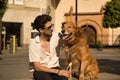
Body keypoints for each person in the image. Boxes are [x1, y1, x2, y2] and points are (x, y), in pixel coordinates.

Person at [29, 14, 70, 80]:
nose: (52, 29)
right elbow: (37, 67)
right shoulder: (34, 43)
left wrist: (67, 39)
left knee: (64, 78)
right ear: (41, 30)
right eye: (49, 27)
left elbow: (68, 44)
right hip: (41, 70)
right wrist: (58, 72)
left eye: (52, 26)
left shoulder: (57, 37)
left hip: (55, 67)